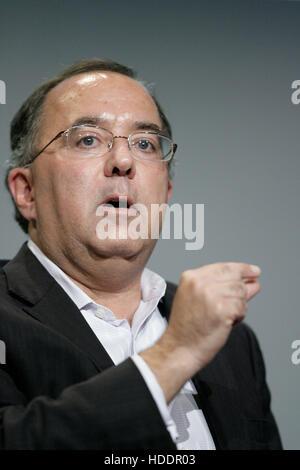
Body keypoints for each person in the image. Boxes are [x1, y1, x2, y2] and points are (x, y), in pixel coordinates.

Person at [0, 59, 282, 450]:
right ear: (27, 192)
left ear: (165, 194)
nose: (123, 161)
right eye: (88, 139)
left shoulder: (232, 343)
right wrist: (175, 355)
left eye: (145, 144)